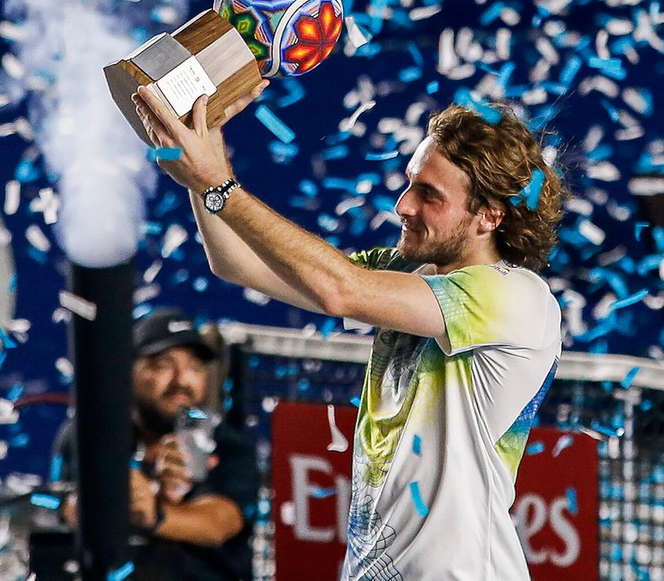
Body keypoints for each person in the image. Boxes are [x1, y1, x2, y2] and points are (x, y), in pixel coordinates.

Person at [133, 83, 566, 580]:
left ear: (490, 216)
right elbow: (238, 263)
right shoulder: (411, 274)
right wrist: (203, 159)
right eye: (410, 182)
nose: (403, 205)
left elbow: (342, 290)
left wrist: (221, 187)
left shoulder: (514, 296)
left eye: (429, 195)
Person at [50, 307, 258, 581]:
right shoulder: (90, 435)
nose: (182, 380)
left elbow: (219, 523)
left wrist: (154, 515)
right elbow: (55, 503)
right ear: (128, 371)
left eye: (195, 367)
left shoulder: (225, 443)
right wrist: (80, 508)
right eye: (163, 365)